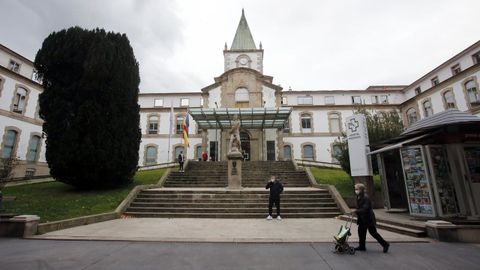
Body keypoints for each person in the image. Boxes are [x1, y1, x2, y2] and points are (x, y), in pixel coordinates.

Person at [353, 183, 390, 253]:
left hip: (368, 219)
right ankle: (362, 246)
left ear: (360, 189)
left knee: (373, 233)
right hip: (362, 218)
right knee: (361, 232)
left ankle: (385, 244)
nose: (355, 190)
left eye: (356, 189)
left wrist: (356, 211)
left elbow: (366, 208)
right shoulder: (359, 196)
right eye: (355, 189)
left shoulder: (365, 197)